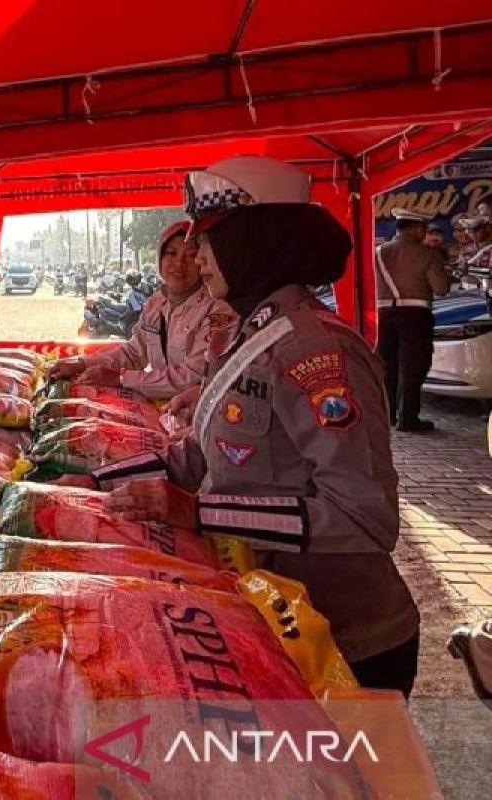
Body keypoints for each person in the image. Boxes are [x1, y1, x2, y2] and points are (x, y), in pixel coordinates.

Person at [88, 156, 420, 696]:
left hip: (346, 644)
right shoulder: (252, 332)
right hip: (272, 621)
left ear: (256, 240)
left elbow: (364, 518)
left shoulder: (317, 349)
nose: (195, 254)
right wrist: (98, 483)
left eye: (209, 238)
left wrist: (200, 512)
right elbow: (197, 455)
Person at [50, 221, 234, 399]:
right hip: (160, 410)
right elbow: (134, 353)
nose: (179, 264)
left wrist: (121, 378)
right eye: (171, 253)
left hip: (196, 414)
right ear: (159, 259)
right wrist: (81, 364)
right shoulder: (156, 302)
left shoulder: (217, 310)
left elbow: (193, 376)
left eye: (190, 255)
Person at [375, 208, 452, 432]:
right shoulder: (427, 255)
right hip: (415, 315)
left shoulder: (378, 252)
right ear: (417, 228)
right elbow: (442, 288)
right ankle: (408, 418)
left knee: (387, 365)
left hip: (384, 315)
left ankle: (387, 414)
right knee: (413, 366)